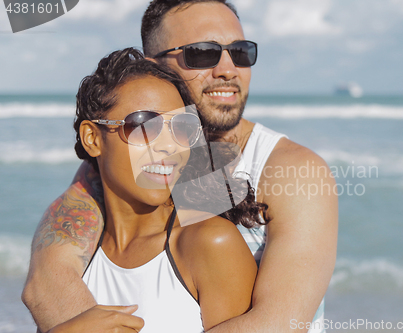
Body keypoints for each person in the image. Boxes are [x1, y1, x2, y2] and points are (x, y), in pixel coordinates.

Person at [22, 1, 338, 332]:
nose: (228, 69)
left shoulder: (291, 170)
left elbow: (280, 324)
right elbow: (48, 281)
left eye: (241, 52)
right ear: (152, 67)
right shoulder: (118, 165)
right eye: (202, 53)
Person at [46, 47, 263, 332]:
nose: (168, 145)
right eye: (144, 125)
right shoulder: (70, 257)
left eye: (181, 128)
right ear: (92, 138)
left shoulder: (209, 244)